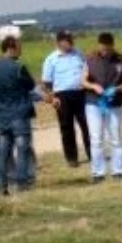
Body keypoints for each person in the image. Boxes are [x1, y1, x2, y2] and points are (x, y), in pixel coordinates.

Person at [0, 36, 47, 194]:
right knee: (22, 149)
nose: (21, 50)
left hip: (2, 115)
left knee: (3, 152)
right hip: (19, 114)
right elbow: (31, 88)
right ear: (11, 48)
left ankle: (0, 186)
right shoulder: (19, 68)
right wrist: (48, 98)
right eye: (19, 47)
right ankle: (21, 184)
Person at [82, 32, 122, 182]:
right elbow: (83, 81)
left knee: (115, 138)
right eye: (103, 49)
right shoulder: (89, 59)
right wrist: (94, 86)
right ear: (98, 45)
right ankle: (98, 173)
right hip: (93, 103)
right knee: (96, 139)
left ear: (112, 45)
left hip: (114, 104)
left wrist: (116, 89)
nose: (105, 52)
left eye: (108, 49)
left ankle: (118, 171)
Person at [42, 30, 90, 168]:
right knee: (66, 127)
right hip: (62, 96)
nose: (70, 42)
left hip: (80, 93)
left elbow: (86, 71)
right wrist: (52, 98)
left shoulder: (79, 54)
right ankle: (71, 158)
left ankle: (92, 154)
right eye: (67, 40)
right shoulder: (51, 59)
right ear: (59, 42)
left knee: (86, 125)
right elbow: (47, 82)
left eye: (71, 39)